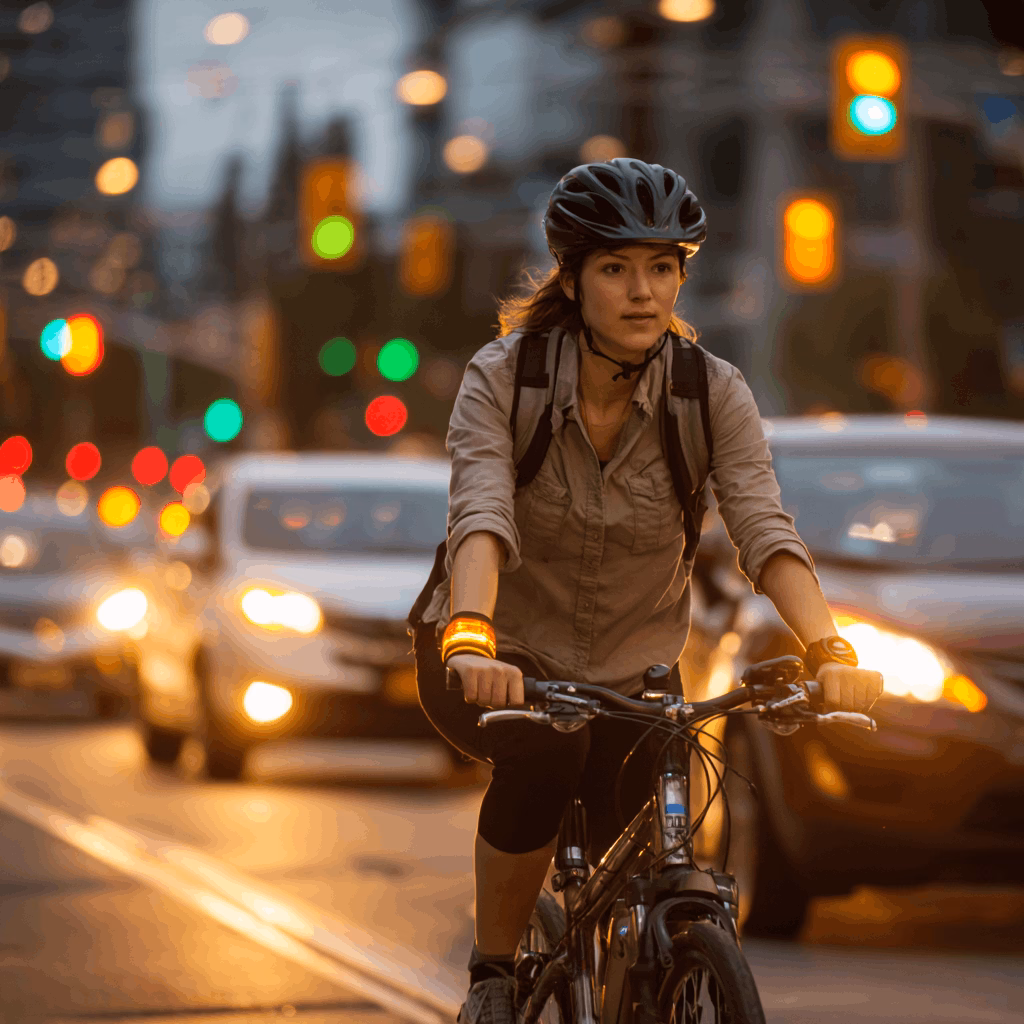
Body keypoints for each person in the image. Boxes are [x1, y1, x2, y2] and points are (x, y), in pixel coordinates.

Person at [410, 157, 883, 1024]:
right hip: (494, 653)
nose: (643, 292)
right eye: (617, 269)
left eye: (662, 268)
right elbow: (481, 512)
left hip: (633, 670)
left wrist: (830, 647)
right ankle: (494, 974)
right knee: (548, 759)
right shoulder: (506, 379)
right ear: (574, 276)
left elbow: (763, 529)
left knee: (653, 813)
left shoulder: (711, 392)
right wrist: (472, 633)